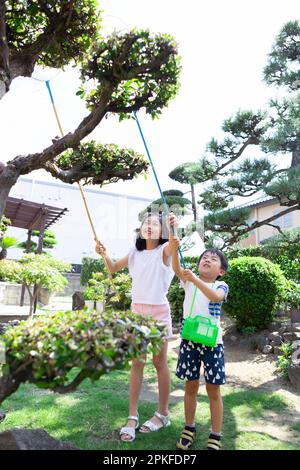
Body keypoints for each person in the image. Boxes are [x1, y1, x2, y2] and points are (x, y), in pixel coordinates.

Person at [95, 212, 177, 442]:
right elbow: (112, 268)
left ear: (162, 231)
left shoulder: (165, 251)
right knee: (137, 363)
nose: (149, 226)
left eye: (154, 224)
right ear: (141, 229)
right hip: (137, 313)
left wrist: (174, 228)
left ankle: (163, 414)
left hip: (159, 312)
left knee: (159, 362)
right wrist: (104, 253)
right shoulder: (135, 252)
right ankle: (132, 416)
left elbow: (173, 244)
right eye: (146, 223)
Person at [169, 229, 229, 450]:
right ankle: (189, 428)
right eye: (205, 257)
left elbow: (215, 297)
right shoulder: (189, 281)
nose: (207, 259)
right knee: (190, 386)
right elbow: (176, 268)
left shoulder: (221, 286)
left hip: (213, 344)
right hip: (190, 342)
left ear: (220, 271)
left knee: (213, 389)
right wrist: (175, 248)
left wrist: (193, 278)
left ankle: (215, 434)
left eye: (213, 259)